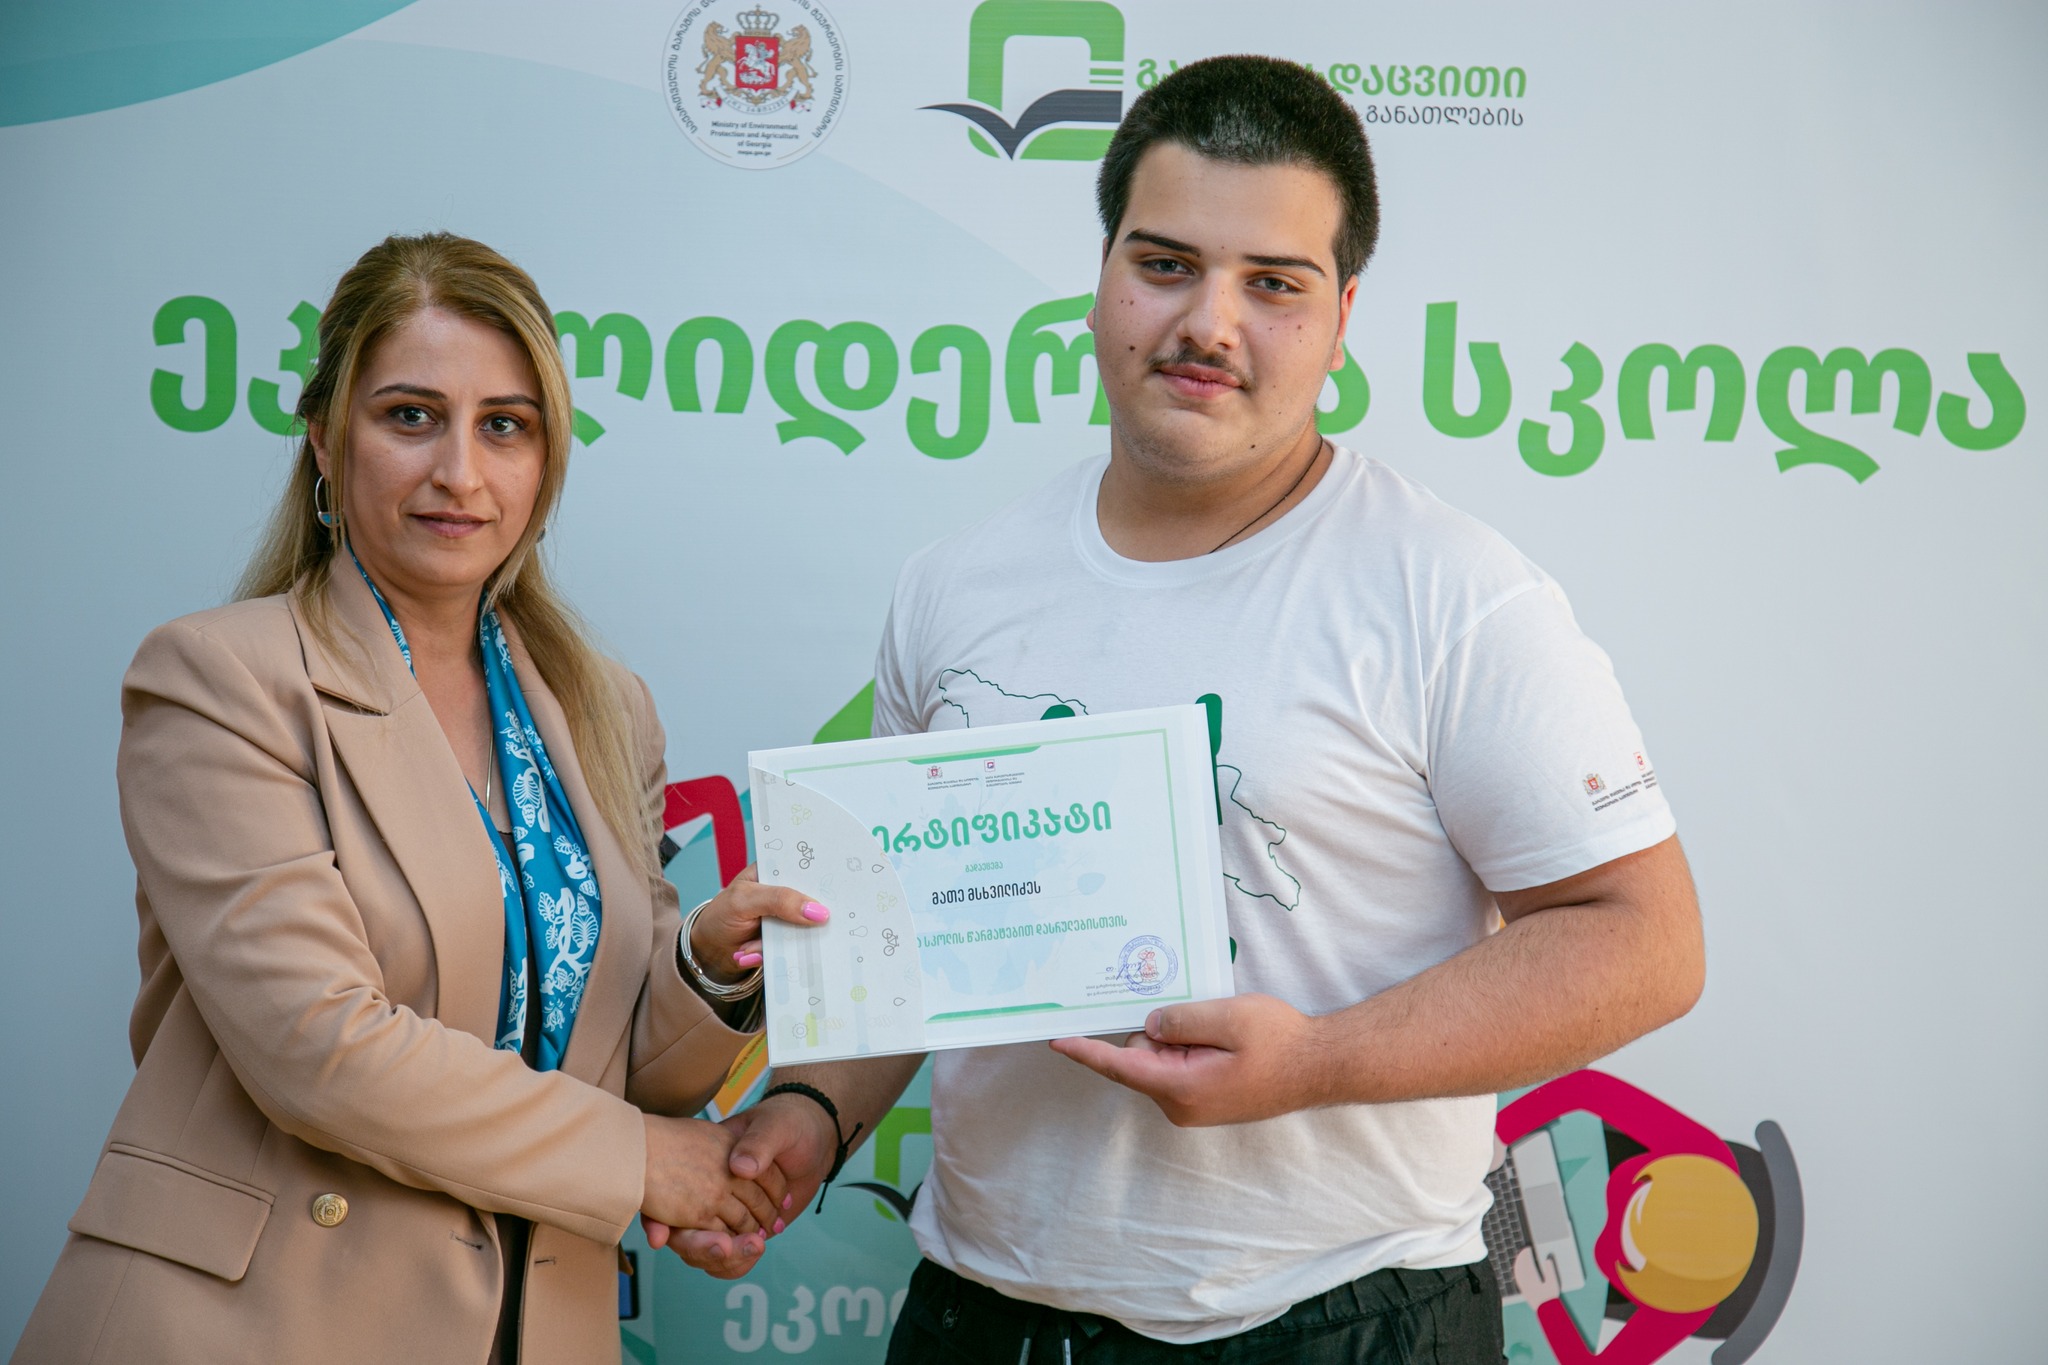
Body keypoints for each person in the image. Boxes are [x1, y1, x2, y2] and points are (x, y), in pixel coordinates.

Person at [671, 55, 1705, 1363]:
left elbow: (1644, 941)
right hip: (986, 1316)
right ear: (1102, 275)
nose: (1208, 322)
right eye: (1164, 265)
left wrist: (1316, 1060)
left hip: (1342, 1321)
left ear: (1340, 317)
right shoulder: (954, 586)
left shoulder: (1453, 595)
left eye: (1273, 283)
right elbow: (913, 949)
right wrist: (813, 1115)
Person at [12, 233, 826, 1365]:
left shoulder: (604, 708)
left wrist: (703, 966)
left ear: (546, 460)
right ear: (324, 436)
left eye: (505, 426)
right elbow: (319, 1045)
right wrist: (651, 1164)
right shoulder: (219, 678)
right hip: (254, 1327)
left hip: (526, 1329)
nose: (460, 472)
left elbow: (613, 1068)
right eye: (411, 417)